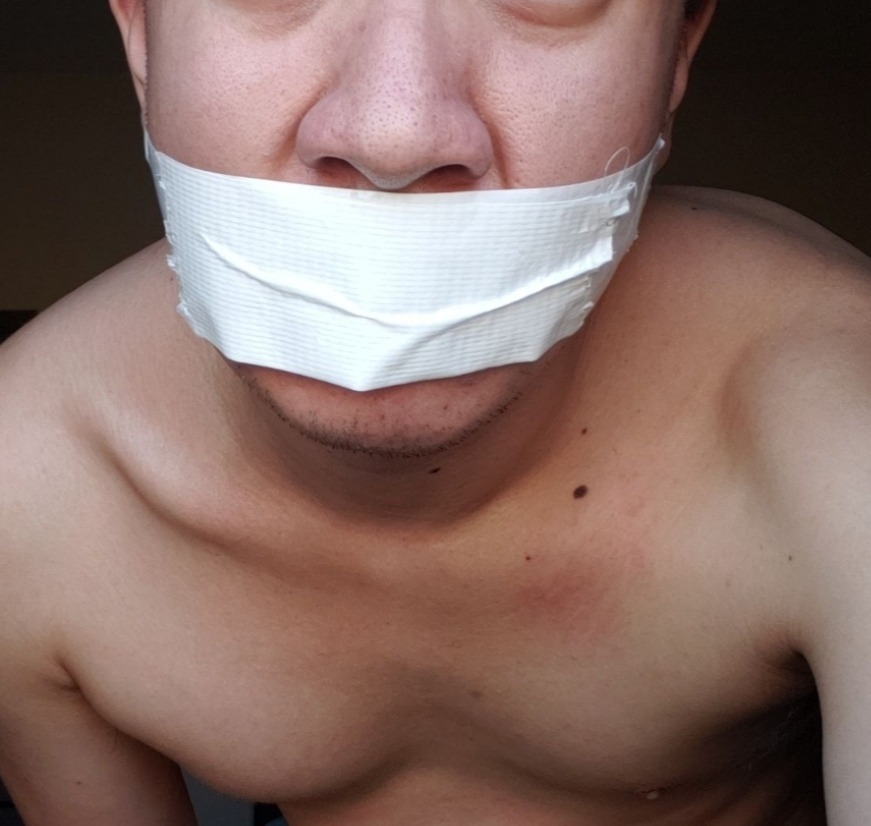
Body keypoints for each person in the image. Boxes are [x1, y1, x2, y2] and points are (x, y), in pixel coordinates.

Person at [0, 0, 868, 823]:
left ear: (675, 51)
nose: (395, 135)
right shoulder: (30, 492)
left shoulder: (828, 418)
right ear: (142, 30)